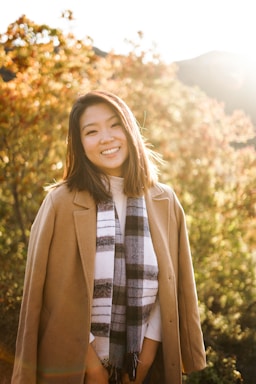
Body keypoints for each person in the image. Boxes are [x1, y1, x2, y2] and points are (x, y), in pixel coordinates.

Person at [11, 90, 206, 384]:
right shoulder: (61, 202)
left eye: (115, 125)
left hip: (143, 364)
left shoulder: (164, 200)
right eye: (92, 131)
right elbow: (54, 295)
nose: (106, 137)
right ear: (79, 143)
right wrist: (93, 368)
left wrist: (146, 358)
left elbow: (172, 287)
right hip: (75, 367)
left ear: (130, 129)